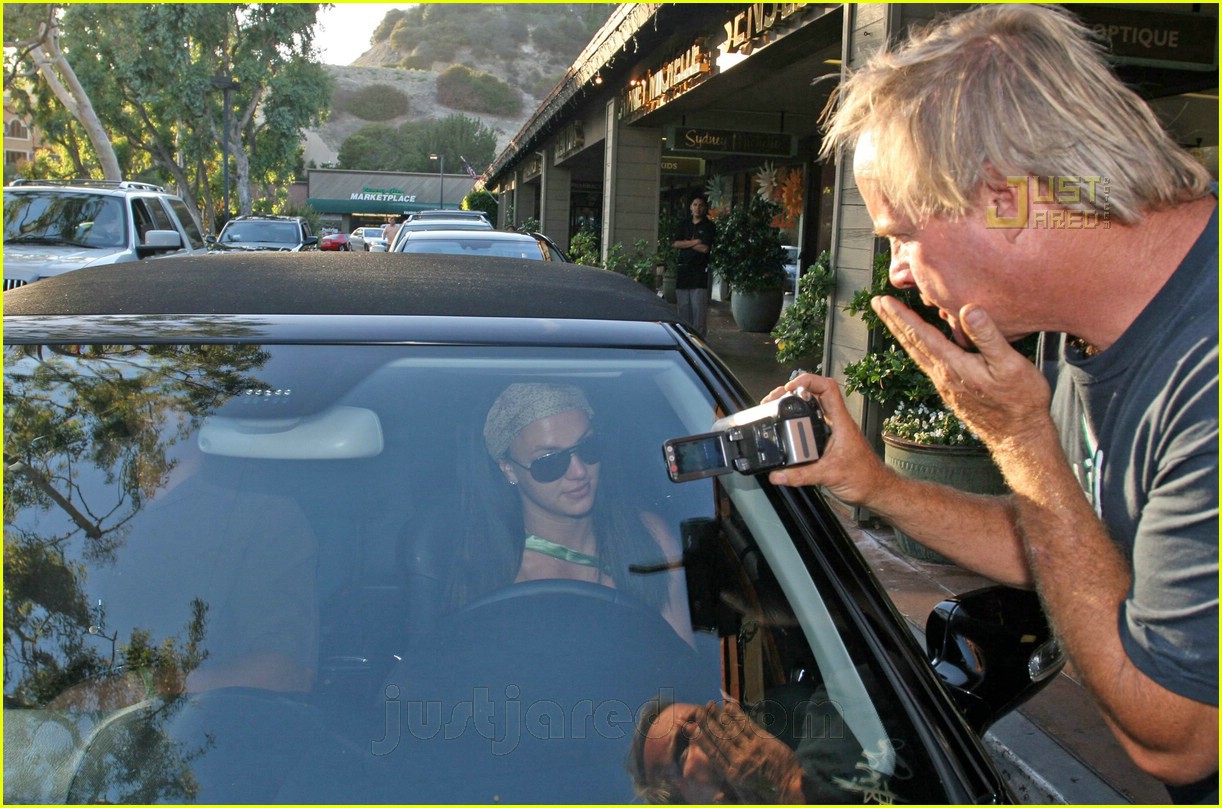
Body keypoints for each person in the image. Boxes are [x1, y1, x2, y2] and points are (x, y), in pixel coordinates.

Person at [765, 5, 1217, 802]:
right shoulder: (1082, 330)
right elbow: (1073, 541)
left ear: (1005, 200)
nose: (897, 271)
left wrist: (1020, 440)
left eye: (903, 234)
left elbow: (1177, 739)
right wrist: (875, 484)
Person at [443, 382, 693, 643]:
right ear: (509, 469)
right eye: (550, 461)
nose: (579, 471)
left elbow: (680, 657)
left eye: (588, 447)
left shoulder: (647, 538)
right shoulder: (493, 578)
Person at [627, 696, 890, 804]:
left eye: (707, 718)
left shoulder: (827, 708)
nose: (707, 730)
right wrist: (786, 787)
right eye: (683, 746)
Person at [672, 194, 717, 337]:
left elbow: (705, 248)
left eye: (701, 205)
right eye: (695, 205)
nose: (698, 208)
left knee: (699, 312)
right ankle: (685, 340)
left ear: (705, 208)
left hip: (700, 273)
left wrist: (686, 243)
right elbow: (676, 244)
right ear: (691, 207)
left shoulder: (709, 226)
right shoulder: (683, 224)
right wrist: (696, 241)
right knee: (683, 311)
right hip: (683, 271)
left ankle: (699, 344)